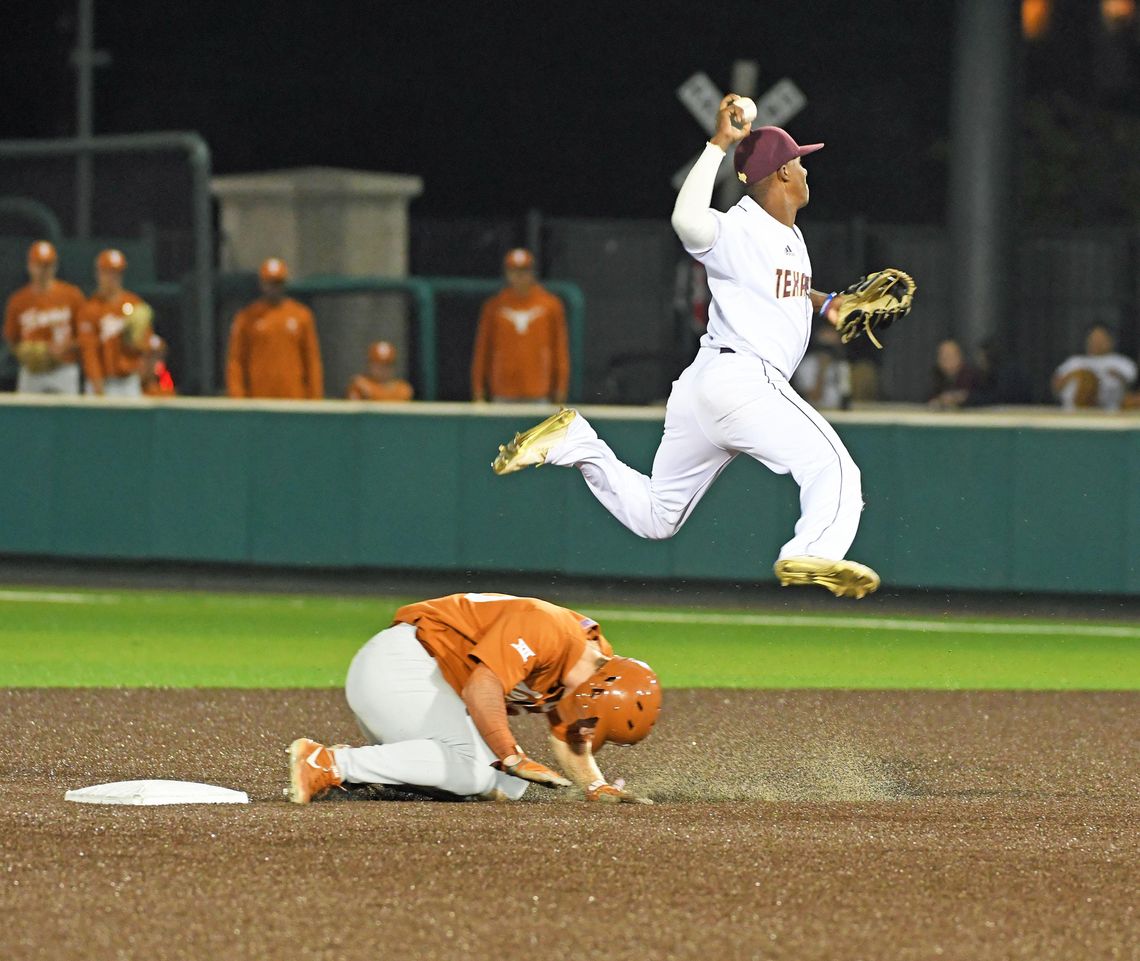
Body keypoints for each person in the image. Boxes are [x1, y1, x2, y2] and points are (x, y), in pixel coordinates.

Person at [490, 98, 879, 600]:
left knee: (658, 516)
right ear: (782, 173)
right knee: (834, 467)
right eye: (800, 162)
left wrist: (831, 304)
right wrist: (719, 144)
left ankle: (576, 443)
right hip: (745, 382)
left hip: (706, 387)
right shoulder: (739, 226)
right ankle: (815, 551)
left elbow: (782, 287)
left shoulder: (786, 236)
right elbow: (688, 222)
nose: (806, 170)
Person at [286, 592, 660, 805]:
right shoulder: (548, 628)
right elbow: (482, 688)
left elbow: (568, 736)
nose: (586, 727)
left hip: (428, 685)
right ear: (597, 692)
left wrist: (596, 786)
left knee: (509, 786)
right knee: (478, 770)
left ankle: (378, 763)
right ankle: (328, 763)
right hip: (402, 664)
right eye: (593, 720)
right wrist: (510, 754)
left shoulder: (591, 665)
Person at [470, 248, 569, 404]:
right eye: (514, 271)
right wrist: (478, 388)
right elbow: (483, 349)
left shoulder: (550, 305)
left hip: (538, 391)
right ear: (507, 273)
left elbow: (559, 349)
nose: (519, 276)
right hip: (503, 391)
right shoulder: (494, 306)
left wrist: (561, 387)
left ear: (532, 272)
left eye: (524, 271)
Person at [226, 257, 323, 399]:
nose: (273, 288)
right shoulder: (246, 317)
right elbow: (236, 361)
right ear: (262, 284)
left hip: (293, 399)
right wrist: (237, 396)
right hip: (259, 399)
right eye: (269, 283)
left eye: (277, 283)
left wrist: (315, 397)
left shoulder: (302, 315)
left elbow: (312, 359)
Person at [3, 240, 87, 394]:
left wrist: (66, 347)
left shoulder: (72, 295)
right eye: (39, 264)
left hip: (64, 369)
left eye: (47, 265)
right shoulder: (18, 300)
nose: (43, 270)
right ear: (29, 265)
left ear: (55, 266)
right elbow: (11, 338)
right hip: (32, 372)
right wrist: (25, 352)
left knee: (67, 416)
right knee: (28, 416)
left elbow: (86, 335)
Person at [77, 249, 153, 397]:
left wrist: (136, 342)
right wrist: (97, 386)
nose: (112, 278)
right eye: (107, 272)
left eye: (116, 273)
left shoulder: (134, 304)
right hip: (101, 381)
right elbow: (89, 352)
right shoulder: (89, 309)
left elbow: (146, 345)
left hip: (128, 381)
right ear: (98, 274)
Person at [1051, 323, 1137, 411]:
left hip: (1110, 411)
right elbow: (1056, 385)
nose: (1097, 342)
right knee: (1086, 377)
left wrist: (1117, 375)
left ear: (1111, 341)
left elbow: (1130, 384)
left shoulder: (1122, 362)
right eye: (1093, 338)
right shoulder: (1075, 361)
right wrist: (1075, 375)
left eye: (1101, 339)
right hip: (1074, 411)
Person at [792, 321, 851, 410]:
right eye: (825, 346)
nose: (827, 352)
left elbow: (846, 397)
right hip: (816, 412)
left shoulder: (841, 365)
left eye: (831, 346)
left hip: (839, 414)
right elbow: (815, 398)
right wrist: (822, 369)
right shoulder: (806, 365)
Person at [346, 340, 413, 401]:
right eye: (378, 364)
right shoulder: (359, 385)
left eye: (387, 365)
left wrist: (372, 394)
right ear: (370, 364)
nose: (382, 369)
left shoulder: (403, 389)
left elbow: (391, 410)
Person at [928, 338, 977, 409]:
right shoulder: (937, 375)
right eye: (942, 357)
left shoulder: (972, 375)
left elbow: (981, 398)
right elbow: (930, 398)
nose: (946, 360)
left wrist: (959, 398)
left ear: (959, 357)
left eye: (949, 356)